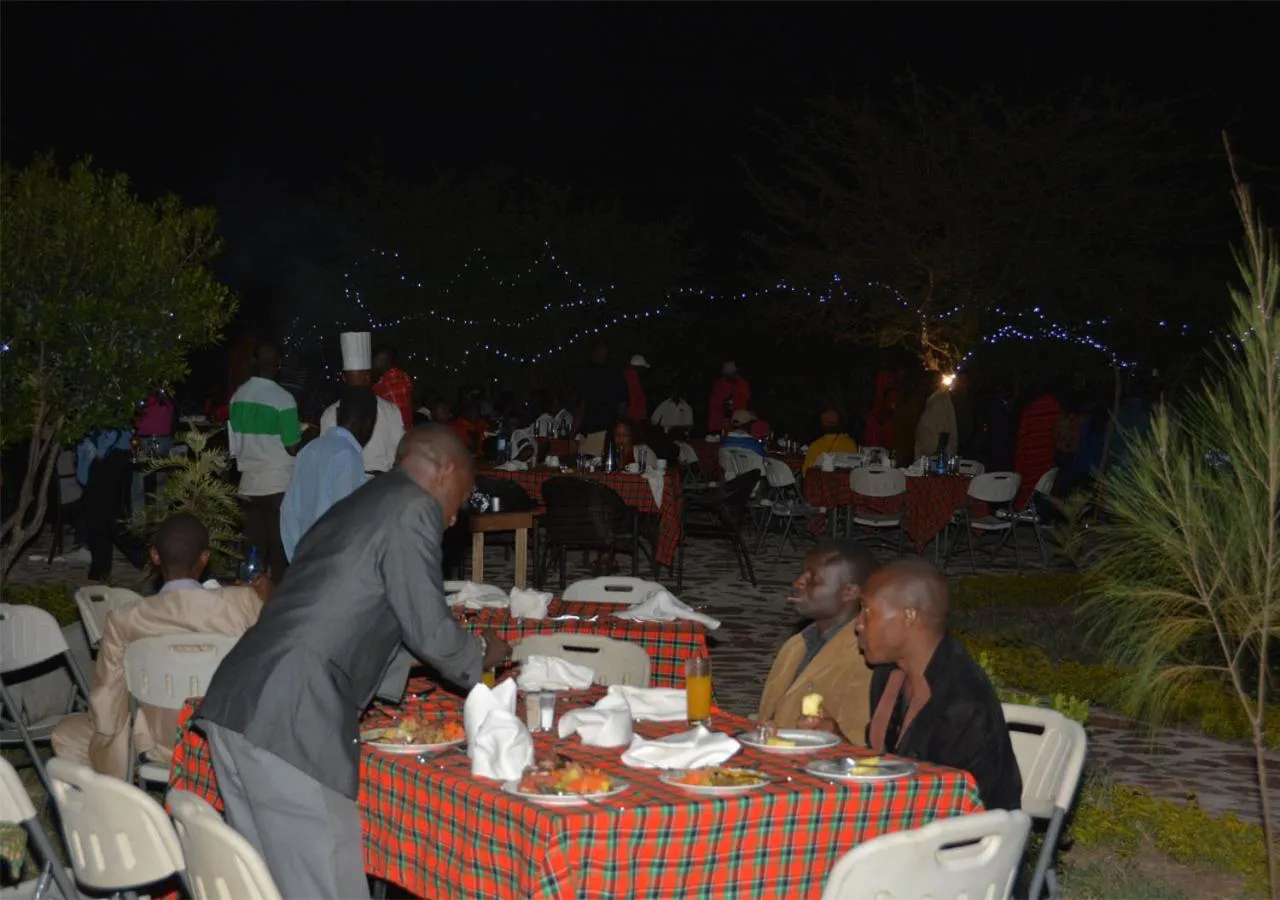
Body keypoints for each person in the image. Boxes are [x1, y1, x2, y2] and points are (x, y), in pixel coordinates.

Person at [195, 425, 513, 900]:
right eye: (461, 498)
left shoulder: (360, 503)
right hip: (292, 715)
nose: (452, 521)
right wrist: (481, 653)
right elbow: (426, 627)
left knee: (262, 887)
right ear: (444, 471)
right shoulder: (412, 507)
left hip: (240, 699)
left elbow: (350, 606)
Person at [51, 514, 267, 779]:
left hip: (157, 746)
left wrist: (111, 745)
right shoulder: (242, 603)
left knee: (68, 732)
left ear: (155, 556)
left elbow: (107, 699)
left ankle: (113, 805)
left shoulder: (125, 619)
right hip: (228, 740)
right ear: (205, 557)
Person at [856, 557, 1022, 811]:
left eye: (867, 612)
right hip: (902, 818)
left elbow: (958, 804)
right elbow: (884, 766)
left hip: (966, 839)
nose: (858, 624)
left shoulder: (961, 698)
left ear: (909, 616)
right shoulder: (888, 676)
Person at [757, 541, 875, 742]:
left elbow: (861, 750)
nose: (798, 583)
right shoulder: (796, 644)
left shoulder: (863, 659)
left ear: (849, 592)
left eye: (813, 579)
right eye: (802, 574)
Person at [228, 341, 301, 584]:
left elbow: (234, 446)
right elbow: (292, 447)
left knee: (253, 552)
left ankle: (251, 602)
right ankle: (279, 603)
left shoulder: (237, 397)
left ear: (254, 362)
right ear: (278, 365)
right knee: (280, 552)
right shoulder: (283, 398)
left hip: (248, 483)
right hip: (278, 483)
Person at [280, 386, 377, 562]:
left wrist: (296, 558)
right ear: (369, 423)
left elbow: (289, 511)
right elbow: (345, 523)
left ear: (338, 413)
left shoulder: (309, 449)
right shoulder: (347, 456)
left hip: (303, 559)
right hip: (330, 564)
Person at [319, 332, 406, 474]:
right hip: (374, 485)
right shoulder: (389, 410)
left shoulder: (329, 413)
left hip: (352, 486)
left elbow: (326, 459)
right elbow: (399, 452)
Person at [76, 426, 135, 581]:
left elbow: (114, 427)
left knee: (103, 518)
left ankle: (102, 569)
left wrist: (100, 451)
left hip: (110, 454)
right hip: (109, 453)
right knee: (106, 518)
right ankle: (101, 569)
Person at [1013, 386, 1062, 508]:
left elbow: (1022, 443)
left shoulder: (1030, 410)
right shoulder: (1057, 409)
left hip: (1031, 461)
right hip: (1048, 462)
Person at [131, 389, 176, 514]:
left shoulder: (162, 395)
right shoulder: (163, 395)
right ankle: (147, 521)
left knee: (151, 482)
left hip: (154, 439)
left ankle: (152, 521)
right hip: (151, 439)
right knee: (147, 482)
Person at [575, 341, 628, 435]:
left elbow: (582, 407)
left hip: (594, 427)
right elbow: (623, 405)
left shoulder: (586, 374)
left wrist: (574, 431)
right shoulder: (616, 374)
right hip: (605, 427)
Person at [914, 374, 959, 460]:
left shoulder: (940, 401)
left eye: (926, 382)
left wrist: (939, 456)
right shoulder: (932, 399)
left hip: (935, 458)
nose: (922, 386)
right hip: (927, 456)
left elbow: (945, 431)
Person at [802, 410, 859, 474]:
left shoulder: (816, 445)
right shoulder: (851, 442)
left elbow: (806, 473)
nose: (830, 416)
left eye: (833, 413)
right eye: (827, 413)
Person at [372, 345, 414, 430]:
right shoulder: (388, 381)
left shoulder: (393, 382)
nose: (371, 365)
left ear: (385, 360)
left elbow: (399, 420)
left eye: (374, 361)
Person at [707, 361, 751, 433]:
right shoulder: (719, 384)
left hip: (737, 422)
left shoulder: (742, 384)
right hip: (718, 423)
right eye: (728, 374)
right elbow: (714, 403)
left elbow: (744, 400)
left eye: (731, 374)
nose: (729, 376)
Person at [624, 354, 650, 421]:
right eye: (643, 368)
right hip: (633, 416)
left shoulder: (629, 376)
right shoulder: (632, 377)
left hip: (633, 415)